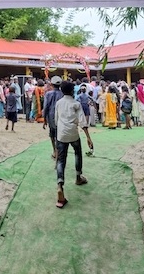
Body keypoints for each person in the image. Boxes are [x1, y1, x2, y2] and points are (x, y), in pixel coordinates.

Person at [55, 81, 88, 209]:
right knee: (78, 153)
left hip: (61, 134)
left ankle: (60, 185)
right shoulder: (76, 104)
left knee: (61, 161)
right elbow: (82, 121)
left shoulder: (59, 103)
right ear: (72, 91)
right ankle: (78, 176)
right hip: (73, 134)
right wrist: (89, 138)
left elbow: (56, 120)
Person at [43, 76, 63, 160]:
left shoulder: (48, 94)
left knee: (52, 134)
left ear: (51, 84)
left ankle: (55, 150)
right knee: (59, 135)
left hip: (51, 117)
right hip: (61, 117)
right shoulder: (62, 94)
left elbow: (46, 107)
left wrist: (44, 119)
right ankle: (59, 152)